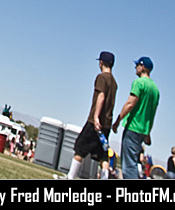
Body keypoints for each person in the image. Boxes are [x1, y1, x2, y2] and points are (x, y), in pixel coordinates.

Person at [67, 51, 118, 180]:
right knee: (103, 155)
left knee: (80, 148)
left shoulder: (102, 77)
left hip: (95, 122)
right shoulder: (114, 82)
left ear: (101, 62)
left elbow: (101, 96)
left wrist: (95, 117)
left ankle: (71, 176)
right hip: (106, 124)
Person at [112, 56, 160, 180]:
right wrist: (148, 132)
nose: (135, 67)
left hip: (133, 127)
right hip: (143, 130)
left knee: (129, 166)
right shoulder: (155, 90)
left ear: (143, 67)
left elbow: (130, 104)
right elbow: (152, 113)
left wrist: (118, 121)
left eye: (137, 65)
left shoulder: (139, 83)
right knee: (133, 162)